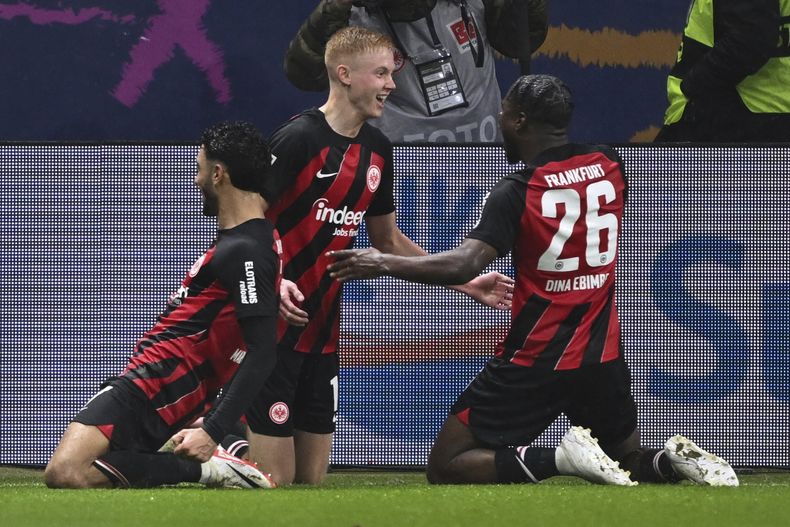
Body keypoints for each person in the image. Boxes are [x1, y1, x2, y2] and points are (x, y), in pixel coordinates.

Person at [328, 74, 739, 487]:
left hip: (536, 357)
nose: (499, 119)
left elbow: (463, 265)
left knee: (447, 463)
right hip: (602, 357)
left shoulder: (516, 191)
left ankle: (559, 460)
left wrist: (381, 262)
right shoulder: (609, 166)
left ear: (520, 121)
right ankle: (672, 462)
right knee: (624, 459)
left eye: (503, 113)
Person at [245, 26, 513, 486]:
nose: (392, 84)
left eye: (392, 73)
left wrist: (465, 283)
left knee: (312, 483)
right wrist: (272, 279)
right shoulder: (297, 140)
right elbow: (246, 222)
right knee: (274, 482)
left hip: (323, 337)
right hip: (274, 332)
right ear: (345, 74)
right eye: (383, 73)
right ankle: (216, 447)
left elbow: (388, 241)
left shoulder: (377, 151)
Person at [44, 121, 281, 489]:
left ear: (219, 174)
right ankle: (210, 444)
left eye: (200, 169)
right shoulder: (254, 240)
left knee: (67, 471)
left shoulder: (246, 251)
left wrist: (213, 431)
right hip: (162, 375)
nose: (196, 180)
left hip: (164, 378)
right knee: (93, 466)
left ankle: (210, 466)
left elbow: (263, 350)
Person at [283, 0, 548, 143]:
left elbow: (521, 42)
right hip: (400, 168)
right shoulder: (353, 13)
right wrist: (337, 5)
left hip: (483, 156)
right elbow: (305, 74)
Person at [655, 0, 790, 142]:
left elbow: (751, 39)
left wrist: (692, 86)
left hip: (740, 117)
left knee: (651, 163)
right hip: (767, 114)